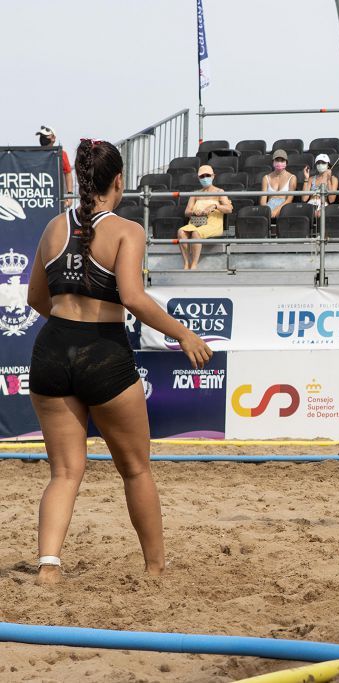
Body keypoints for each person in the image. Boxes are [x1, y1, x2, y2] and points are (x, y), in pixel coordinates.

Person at [24, 140, 212, 584]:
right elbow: (132, 298)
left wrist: (70, 326)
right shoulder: (127, 230)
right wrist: (184, 333)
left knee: (65, 473)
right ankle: (154, 567)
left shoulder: (53, 227)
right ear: (118, 181)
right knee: (135, 468)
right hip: (103, 350)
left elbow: (36, 298)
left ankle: (48, 566)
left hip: (51, 350)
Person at [178, 164, 233, 270]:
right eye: (202, 176)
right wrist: (194, 212)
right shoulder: (196, 194)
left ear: (213, 176)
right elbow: (187, 212)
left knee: (196, 233)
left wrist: (215, 206)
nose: (205, 178)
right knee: (181, 232)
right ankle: (186, 262)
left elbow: (229, 209)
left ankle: (194, 264)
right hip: (196, 223)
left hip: (213, 224)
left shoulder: (219, 192)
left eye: (207, 175)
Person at [36, 126, 74, 208]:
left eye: (45, 136)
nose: (42, 138)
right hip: (40, 198)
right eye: (41, 136)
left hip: (58, 198)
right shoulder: (35, 154)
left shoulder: (62, 154)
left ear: (53, 138)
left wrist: (70, 195)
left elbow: (68, 173)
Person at [260, 149, 296, 220]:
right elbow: (263, 200)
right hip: (269, 206)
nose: (279, 163)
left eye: (282, 160)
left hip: (284, 207)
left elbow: (289, 199)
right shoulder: (266, 178)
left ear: (286, 162)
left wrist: (277, 210)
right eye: (277, 160)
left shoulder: (292, 178)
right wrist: (267, 211)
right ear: (273, 162)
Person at [301, 153, 339, 218]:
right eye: (318, 163)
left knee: (318, 214)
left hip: (324, 204)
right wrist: (306, 178)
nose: (320, 165)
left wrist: (328, 180)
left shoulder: (334, 179)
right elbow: (304, 199)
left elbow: (331, 200)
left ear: (328, 165)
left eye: (323, 163)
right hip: (311, 204)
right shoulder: (311, 179)